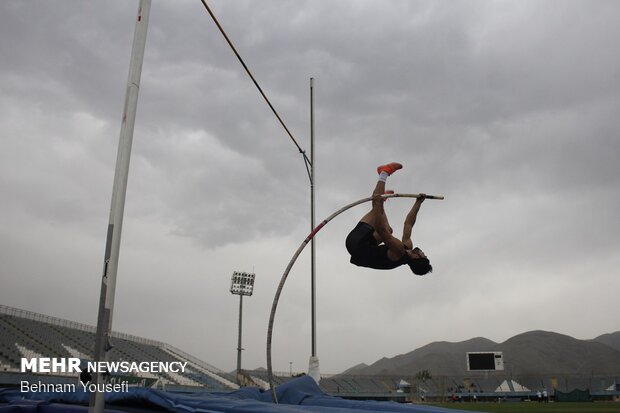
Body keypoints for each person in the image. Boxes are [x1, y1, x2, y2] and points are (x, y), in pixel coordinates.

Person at [345, 162, 432, 275]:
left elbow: (381, 229)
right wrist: (418, 203)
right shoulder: (407, 247)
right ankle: (381, 199)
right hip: (367, 246)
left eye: (424, 255)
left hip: (356, 245)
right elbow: (408, 223)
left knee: (377, 206)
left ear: (417, 257)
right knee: (388, 228)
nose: (424, 253)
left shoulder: (398, 251)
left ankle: (384, 172)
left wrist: (378, 205)